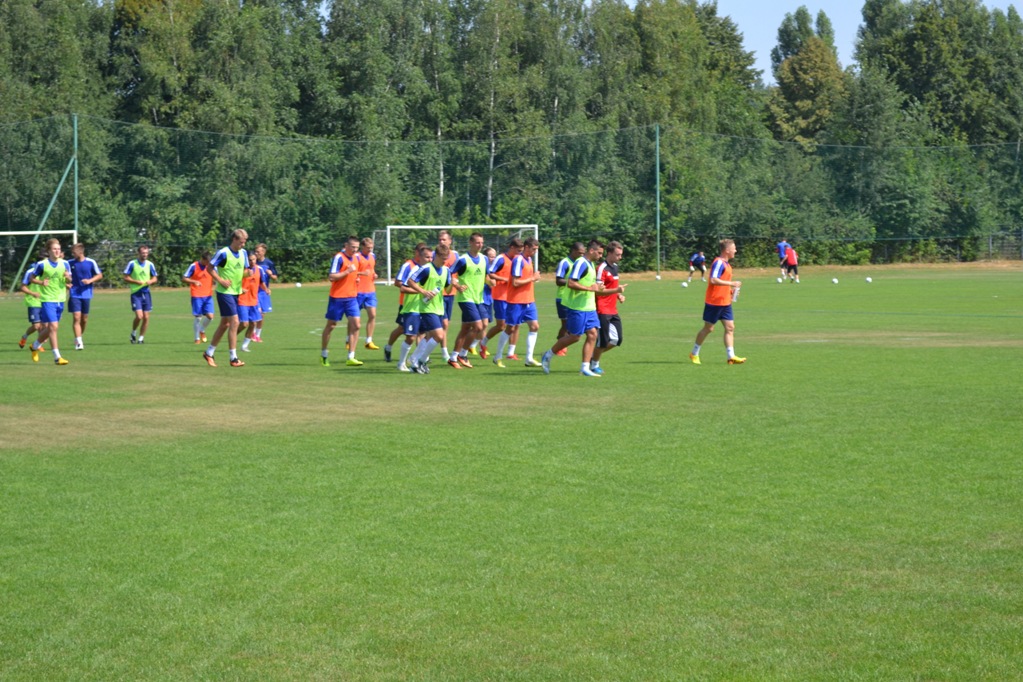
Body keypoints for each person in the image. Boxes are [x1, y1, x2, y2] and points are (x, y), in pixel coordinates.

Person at [541, 239, 605, 377]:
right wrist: (589, 288)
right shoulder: (581, 263)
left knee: (593, 334)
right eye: (599, 253)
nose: (601, 256)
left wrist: (597, 287)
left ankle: (585, 368)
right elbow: (571, 283)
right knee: (575, 337)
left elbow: (590, 284)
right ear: (592, 250)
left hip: (589, 307)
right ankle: (548, 355)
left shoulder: (591, 264)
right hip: (577, 307)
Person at [690, 238, 745, 365]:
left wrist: (730, 291)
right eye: (734, 248)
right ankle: (694, 353)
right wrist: (731, 283)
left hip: (725, 302)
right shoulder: (719, 263)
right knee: (708, 329)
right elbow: (713, 280)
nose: (736, 250)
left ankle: (731, 356)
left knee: (730, 328)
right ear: (727, 250)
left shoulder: (727, 265)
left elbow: (722, 282)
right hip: (714, 302)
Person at [202, 229, 248, 368]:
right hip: (224, 292)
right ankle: (233, 358)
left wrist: (248, 274)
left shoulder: (243, 253)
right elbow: (210, 268)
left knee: (225, 325)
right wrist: (221, 280)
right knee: (235, 322)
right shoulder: (223, 253)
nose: (243, 245)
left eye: (244, 242)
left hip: (236, 292)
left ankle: (209, 353)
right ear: (234, 239)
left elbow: (243, 271)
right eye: (241, 242)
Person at [495, 236, 542, 367]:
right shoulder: (518, 260)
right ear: (526, 247)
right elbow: (515, 282)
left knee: (535, 326)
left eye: (536, 249)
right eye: (533, 249)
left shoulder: (529, 260)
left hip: (529, 300)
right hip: (516, 301)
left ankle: (529, 358)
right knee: (510, 328)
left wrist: (532, 279)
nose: (535, 252)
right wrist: (532, 278)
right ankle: (498, 356)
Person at [405, 245, 451, 374]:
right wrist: (423, 291)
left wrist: (454, 283)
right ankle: (421, 361)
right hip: (427, 308)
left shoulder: (446, 270)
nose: (445, 261)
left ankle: (414, 360)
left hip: (439, 308)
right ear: (437, 256)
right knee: (439, 335)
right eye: (443, 258)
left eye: (446, 258)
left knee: (429, 337)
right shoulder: (426, 269)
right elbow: (410, 281)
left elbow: (447, 290)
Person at [320, 236, 364, 367]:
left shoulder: (356, 258)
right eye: (352, 247)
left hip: (352, 298)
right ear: (346, 245)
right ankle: (324, 354)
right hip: (337, 298)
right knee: (331, 325)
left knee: (356, 325)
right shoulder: (339, 257)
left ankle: (351, 357)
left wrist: (357, 278)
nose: (355, 250)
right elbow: (332, 276)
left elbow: (355, 274)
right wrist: (347, 272)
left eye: (357, 248)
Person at [27, 238, 71, 365]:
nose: (57, 251)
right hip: (47, 299)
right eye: (54, 249)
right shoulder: (42, 265)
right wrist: (41, 282)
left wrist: (68, 279)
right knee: (54, 327)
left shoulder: (65, 264)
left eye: (59, 249)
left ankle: (34, 346)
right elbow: (31, 278)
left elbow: (69, 280)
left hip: (60, 299)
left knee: (51, 328)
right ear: (49, 251)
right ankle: (57, 357)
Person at [448, 232, 488, 368]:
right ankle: (463, 354)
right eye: (477, 242)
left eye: (481, 242)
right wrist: (457, 285)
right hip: (466, 298)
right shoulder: (463, 259)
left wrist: (493, 281)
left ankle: (453, 357)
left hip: (478, 298)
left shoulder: (484, 259)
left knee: (467, 328)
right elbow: (449, 273)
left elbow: (486, 276)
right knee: (478, 327)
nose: (480, 245)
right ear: (470, 243)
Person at [383, 243, 426, 364]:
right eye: (421, 252)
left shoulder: (426, 267)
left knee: (421, 331)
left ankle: (418, 357)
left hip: (421, 304)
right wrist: (416, 289)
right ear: (416, 252)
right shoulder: (408, 265)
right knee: (402, 329)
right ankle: (388, 347)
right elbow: (397, 282)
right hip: (406, 303)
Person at [591, 241, 628, 375]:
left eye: (621, 255)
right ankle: (594, 364)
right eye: (618, 255)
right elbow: (598, 291)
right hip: (602, 309)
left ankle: (591, 357)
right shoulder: (601, 268)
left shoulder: (615, 267)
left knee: (617, 339)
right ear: (610, 253)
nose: (620, 257)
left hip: (613, 310)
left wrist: (618, 295)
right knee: (603, 341)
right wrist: (616, 290)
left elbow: (612, 287)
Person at [480, 238, 522, 359]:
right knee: (501, 326)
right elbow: (490, 272)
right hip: (500, 297)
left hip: (514, 297)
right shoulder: (501, 258)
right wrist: (504, 279)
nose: (519, 253)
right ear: (512, 247)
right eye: (518, 250)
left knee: (516, 324)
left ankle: (510, 353)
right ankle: (483, 343)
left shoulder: (518, 259)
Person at [393, 244, 431, 371]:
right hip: (411, 308)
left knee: (428, 334)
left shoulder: (430, 271)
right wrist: (421, 292)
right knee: (411, 337)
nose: (430, 260)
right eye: (427, 257)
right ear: (420, 257)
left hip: (425, 308)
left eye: (431, 257)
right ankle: (401, 363)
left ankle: (414, 359)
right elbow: (403, 288)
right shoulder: (414, 270)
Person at [67, 243, 103, 350]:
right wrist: (66, 283)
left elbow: (99, 275)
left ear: (81, 252)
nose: (73, 254)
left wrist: (90, 280)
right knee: (76, 317)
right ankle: (79, 342)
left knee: (84, 319)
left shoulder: (91, 262)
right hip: (74, 294)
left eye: (74, 252)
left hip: (86, 294)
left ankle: (79, 337)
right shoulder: (69, 263)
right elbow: (63, 276)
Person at [553, 242, 584, 356]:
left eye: (583, 253)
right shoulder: (565, 263)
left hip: (574, 298)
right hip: (563, 298)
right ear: (573, 251)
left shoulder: (581, 263)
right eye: (580, 253)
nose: (581, 255)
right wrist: (572, 283)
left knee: (570, 325)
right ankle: (559, 346)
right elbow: (558, 281)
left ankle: (560, 341)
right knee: (566, 324)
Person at [123, 245, 158, 344]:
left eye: (146, 253)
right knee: (139, 316)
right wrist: (136, 282)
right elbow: (125, 277)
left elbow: (155, 278)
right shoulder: (132, 263)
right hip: (136, 293)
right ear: (138, 253)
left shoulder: (150, 264)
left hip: (146, 293)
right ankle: (133, 332)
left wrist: (151, 281)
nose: (145, 255)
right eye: (143, 253)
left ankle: (141, 338)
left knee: (146, 317)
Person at [182, 250, 214, 344]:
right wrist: (194, 281)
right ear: (202, 259)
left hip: (208, 295)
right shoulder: (194, 266)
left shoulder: (211, 266)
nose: (208, 264)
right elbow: (184, 278)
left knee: (210, 316)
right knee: (198, 317)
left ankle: (202, 330)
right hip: (197, 295)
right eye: (206, 262)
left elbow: (217, 275)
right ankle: (197, 338)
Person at [437, 229, 459, 361]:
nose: (442, 242)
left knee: (445, 324)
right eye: (440, 239)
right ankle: (444, 352)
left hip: (450, 293)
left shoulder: (455, 255)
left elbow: (459, 271)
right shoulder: (434, 255)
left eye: (444, 239)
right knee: (443, 324)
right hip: (437, 294)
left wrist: (458, 284)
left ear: (450, 241)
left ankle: (442, 350)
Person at [356, 237, 380, 350]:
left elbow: (371, 269)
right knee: (355, 319)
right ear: (362, 247)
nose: (370, 250)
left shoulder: (372, 256)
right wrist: (361, 273)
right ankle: (348, 339)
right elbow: (351, 271)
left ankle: (369, 341)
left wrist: (374, 274)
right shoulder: (357, 257)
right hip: (358, 291)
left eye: (371, 247)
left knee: (372, 315)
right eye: (368, 248)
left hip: (370, 291)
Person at [238, 252, 264, 353]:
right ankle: (232, 336)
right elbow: (233, 282)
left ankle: (244, 346)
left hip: (254, 301)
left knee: (253, 323)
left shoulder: (259, 269)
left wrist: (266, 289)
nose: (252, 261)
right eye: (250, 260)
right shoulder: (241, 270)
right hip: (242, 300)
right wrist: (240, 289)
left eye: (253, 259)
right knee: (244, 324)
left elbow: (261, 282)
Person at [18, 251, 45, 350]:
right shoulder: (30, 272)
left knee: (45, 325)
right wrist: (33, 293)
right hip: (33, 302)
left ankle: (38, 345)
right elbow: (22, 287)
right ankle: (24, 337)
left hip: (46, 301)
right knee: (36, 326)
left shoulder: (48, 271)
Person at [253, 243, 278, 341]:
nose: (256, 253)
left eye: (258, 252)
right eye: (255, 251)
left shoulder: (269, 263)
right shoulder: (252, 262)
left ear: (263, 252)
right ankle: (252, 334)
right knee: (257, 313)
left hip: (264, 292)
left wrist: (271, 275)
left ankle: (257, 335)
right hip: (254, 291)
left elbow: (275, 277)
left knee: (262, 315)